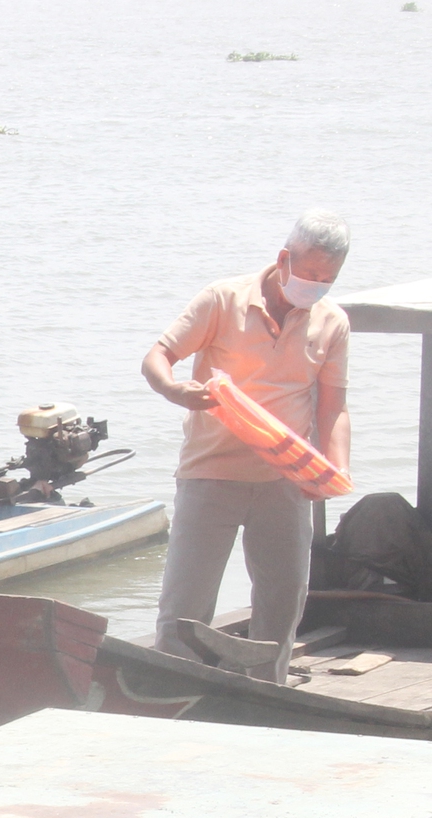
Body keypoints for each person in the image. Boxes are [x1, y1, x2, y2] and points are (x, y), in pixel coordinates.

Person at [142, 210, 353, 684]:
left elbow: (333, 407)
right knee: (185, 605)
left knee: (282, 604)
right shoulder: (222, 300)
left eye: (328, 279)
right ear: (284, 259)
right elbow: (158, 357)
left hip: (285, 480)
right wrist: (174, 389)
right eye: (310, 274)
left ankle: (268, 696)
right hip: (210, 473)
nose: (317, 286)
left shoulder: (332, 322)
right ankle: (169, 692)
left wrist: (334, 468)